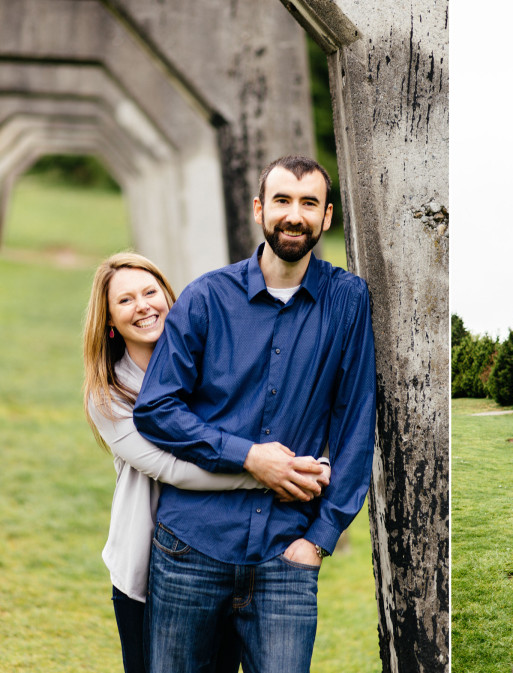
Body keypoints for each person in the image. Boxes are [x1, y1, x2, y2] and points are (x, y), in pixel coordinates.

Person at [133, 155, 376, 673]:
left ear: (326, 216)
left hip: (286, 552)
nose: (295, 215)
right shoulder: (205, 298)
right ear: (259, 209)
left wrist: (320, 540)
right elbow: (156, 408)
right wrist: (248, 457)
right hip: (190, 547)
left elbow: (356, 423)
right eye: (283, 200)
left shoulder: (347, 300)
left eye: (309, 203)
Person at [82, 253, 330, 673]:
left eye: (149, 292)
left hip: (222, 547)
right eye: (125, 301)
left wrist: (295, 461)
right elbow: (173, 469)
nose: (142, 306)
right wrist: (266, 474)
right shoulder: (108, 396)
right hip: (149, 565)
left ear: (169, 297)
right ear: (109, 321)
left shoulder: (202, 363)